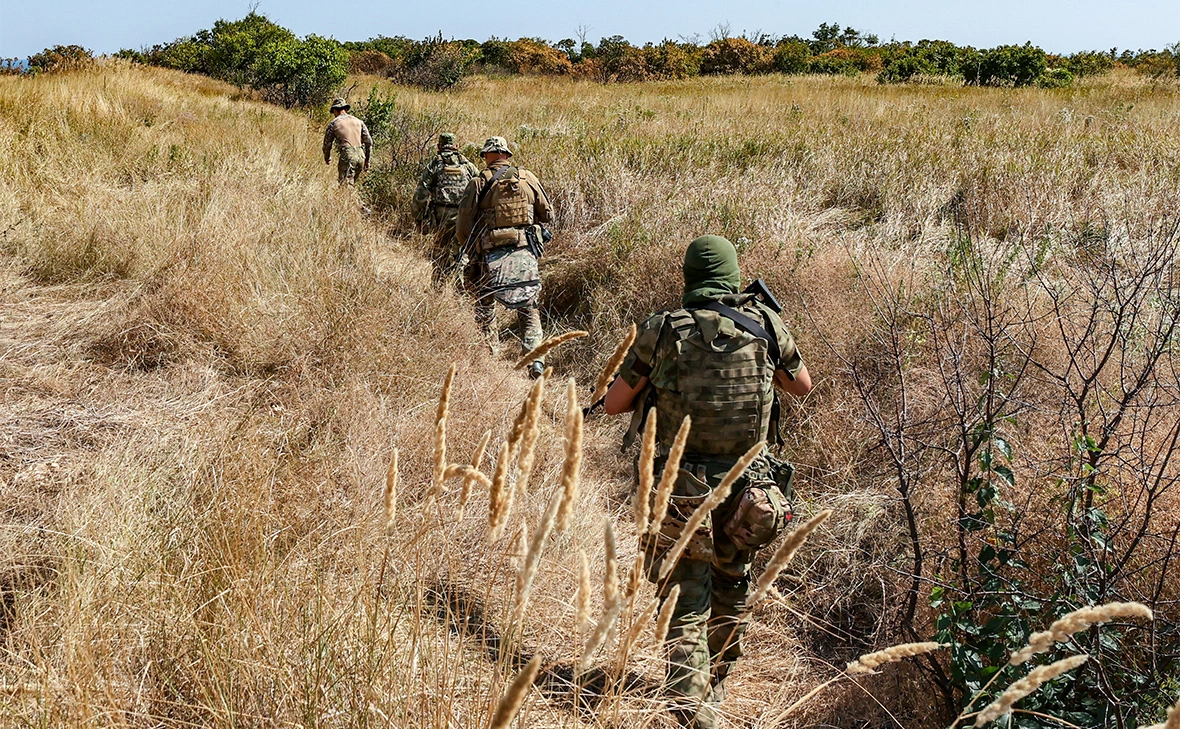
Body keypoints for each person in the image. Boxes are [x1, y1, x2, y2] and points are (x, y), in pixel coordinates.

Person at [603, 235, 812, 729]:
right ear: (735, 275)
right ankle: (715, 681)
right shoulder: (765, 325)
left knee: (685, 596)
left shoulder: (662, 330)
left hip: (682, 487)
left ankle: (695, 709)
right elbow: (802, 386)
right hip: (750, 487)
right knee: (731, 580)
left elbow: (613, 404)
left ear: (689, 276)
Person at [456, 136, 553, 379]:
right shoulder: (527, 177)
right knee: (529, 305)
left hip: (489, 255)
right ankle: (535, 360)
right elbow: (547, 213)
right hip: (524, 252)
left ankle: (489, 356)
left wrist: (473, 248)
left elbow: (463, 226)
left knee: (485, 303)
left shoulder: (479, 182)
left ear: (487, 156)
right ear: (507, 155)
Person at [412, 133, 480, 281]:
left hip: (441, 215)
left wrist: (419, 217)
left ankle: (439, 286)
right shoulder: (468, 165)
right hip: (464, 215)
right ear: (456, 146)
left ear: (439, 146)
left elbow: (421, 192)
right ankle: (460, 286)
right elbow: (480, 186)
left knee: (441, 251)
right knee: (461, 251)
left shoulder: (435, 164)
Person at [322, 98, 372, 185]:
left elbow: (327, 144)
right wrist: (367, 160)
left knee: (344, 186)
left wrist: (327, 157)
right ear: (346, 109)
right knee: (352, 184)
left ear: (335, 110)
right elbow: (369, 142)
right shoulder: (359, 121)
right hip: (361, 156)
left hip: (347, 155)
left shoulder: (334, 123)